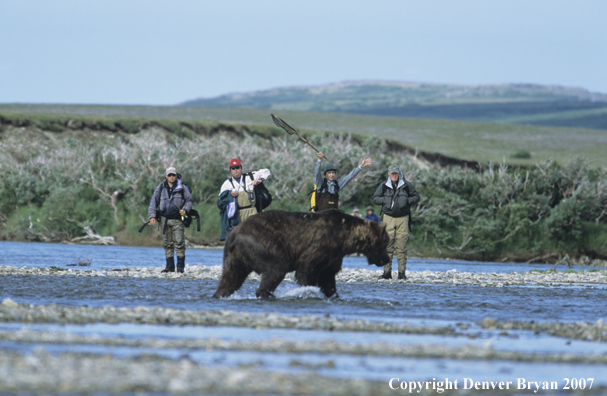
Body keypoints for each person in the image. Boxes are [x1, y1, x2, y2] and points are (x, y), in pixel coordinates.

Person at [372, 164, 420, 280]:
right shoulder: (383, 186)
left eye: (396, 173)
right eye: (392, 173)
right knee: (387, 245)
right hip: (388, 217)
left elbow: (416, 197)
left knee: (401, 247)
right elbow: (375, 199)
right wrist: (385, 200)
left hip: (403, 218)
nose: (394, 175)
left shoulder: (407, 185)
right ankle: (387, 273)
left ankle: (402, 274)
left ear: (399, 173)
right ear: (388, 173)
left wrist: (407, 201)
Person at [148, 166, 193, 273]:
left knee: (179, 243)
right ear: (166, 176)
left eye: (173, 175)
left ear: (176, 176)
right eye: (169, 175)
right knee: (167, 243)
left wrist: (185, 210)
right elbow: (153, 202)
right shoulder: (160, 188)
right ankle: (170, 267)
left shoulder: (182, 188)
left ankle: (180, 268)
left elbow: (189, 201)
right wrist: (152, 216)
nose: (171, 177)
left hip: (178, 219)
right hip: (164, 220)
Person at [219, 158, 271, 224]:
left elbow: (267, 171)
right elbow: (221, 198)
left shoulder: (250, 176)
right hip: (238, 214)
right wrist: (230, 195)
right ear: (230, 170)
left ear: (241, 168)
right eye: (233, 168)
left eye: (237, 167)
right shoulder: (227, 183)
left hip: (252, 211)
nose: (235, 170)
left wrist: (260, 180)